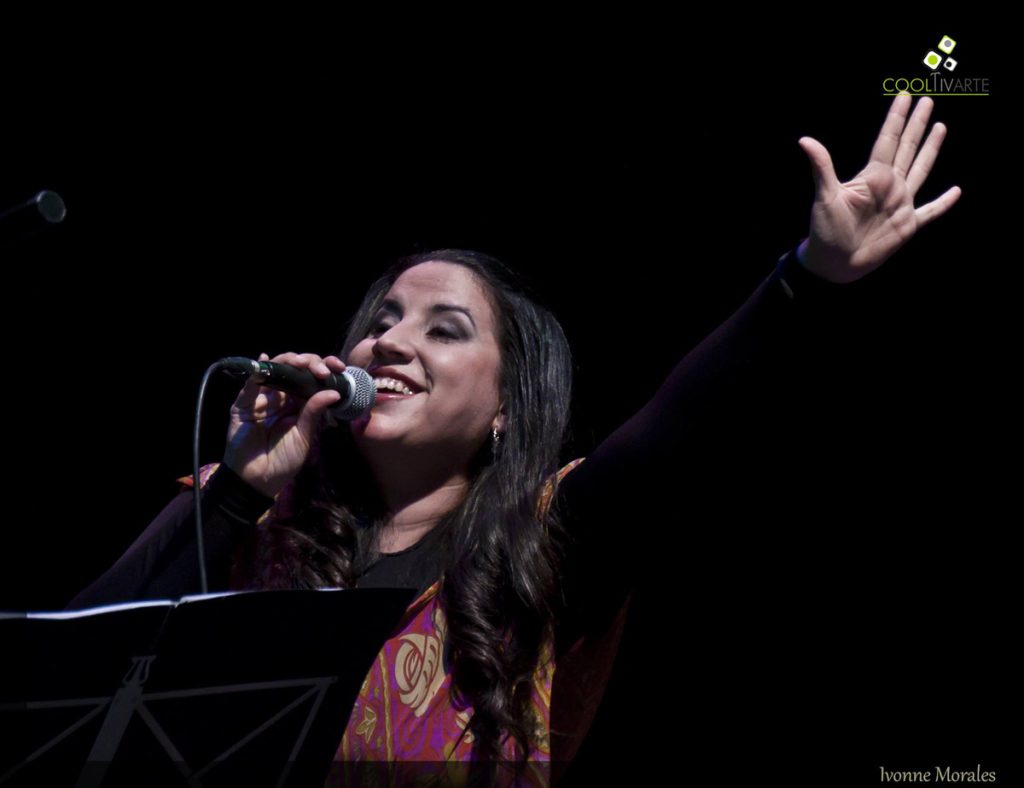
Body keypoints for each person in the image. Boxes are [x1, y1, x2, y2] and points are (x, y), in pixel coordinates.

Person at [67, 94, 960, 785]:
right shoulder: (257, 521)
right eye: (380, 320)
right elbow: (66, 669)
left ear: (506, 406)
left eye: (444, 329)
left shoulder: (545, 540)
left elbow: (684, 428)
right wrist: (239, 487)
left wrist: (807, 280)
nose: (389, 341)